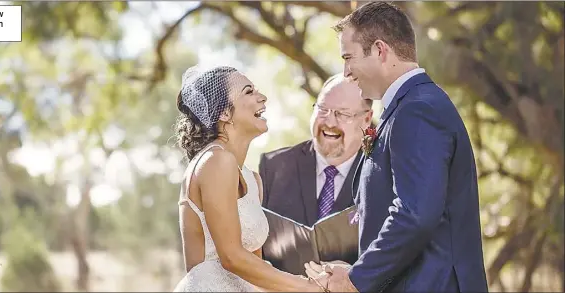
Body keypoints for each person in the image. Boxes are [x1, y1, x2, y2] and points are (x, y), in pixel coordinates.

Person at [305, 2, 488, 292]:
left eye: (348, 57)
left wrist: (356, 280)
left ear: (380, 50)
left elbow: (414, 215)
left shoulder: (417, 110)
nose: (346, 71)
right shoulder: (408, 108)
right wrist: (358, 267)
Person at [172, 65, 324, 292]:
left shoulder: (253, 180)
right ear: (224, 113)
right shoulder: (215, 160)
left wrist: (319, 279)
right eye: (249, 91)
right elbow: (231, 257)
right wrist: (310, 289)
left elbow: (257, 272)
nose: (262, 97)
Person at [259, 74, 372, 272]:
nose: (330, 121)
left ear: (367, 119)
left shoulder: (382, 176)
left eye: (342, 114)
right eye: (323, 109)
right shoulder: (273, 167)